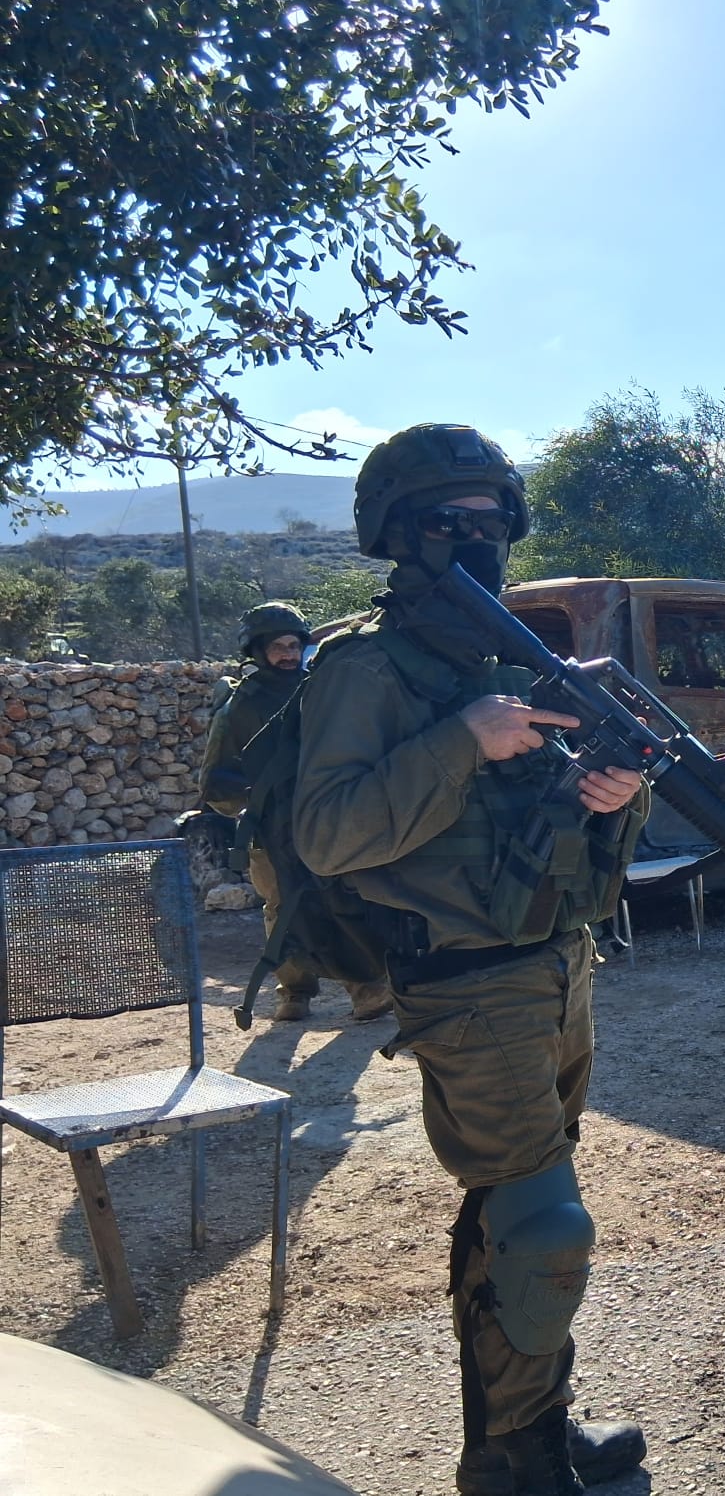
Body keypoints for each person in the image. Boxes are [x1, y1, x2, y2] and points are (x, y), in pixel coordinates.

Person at [293, 424, 652, 1496]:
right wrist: (464, 737)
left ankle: (525, 1434)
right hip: (465, 981)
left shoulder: (504, 663)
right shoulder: (366, 666)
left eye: (491, 519)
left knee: (521, 1219)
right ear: (398, 534)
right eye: (447, 521)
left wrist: (609, 804)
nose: (475, 537)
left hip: (554, 962)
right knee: (544, 1228)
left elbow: (546, 831)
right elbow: (329, 836)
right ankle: (515, 1463)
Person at [199, 603, 392, 1022]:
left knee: (347, 900)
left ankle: (365, 989)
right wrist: (257, 802)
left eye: (293, 645)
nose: (287, 654)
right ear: (257, 651)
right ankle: (295, 993)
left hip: (327, 820)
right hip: (269, 830)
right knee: (281, 907)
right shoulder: (238, 707)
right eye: (277, 647)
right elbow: (216, 781)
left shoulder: (320, 691)